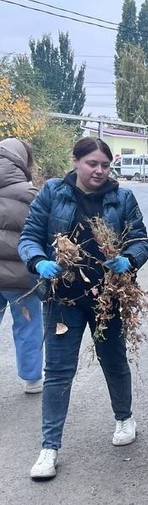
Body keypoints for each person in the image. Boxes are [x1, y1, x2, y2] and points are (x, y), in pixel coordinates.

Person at [18, 136, 148, 481]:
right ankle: (49, 447)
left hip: (107, 296)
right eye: (93, 163)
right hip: (64, 298)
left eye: (105, 165)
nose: (100, 170)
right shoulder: (53, 193)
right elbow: (29, 235)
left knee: (114, 359)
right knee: (59, 371)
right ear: (76, 161)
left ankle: (124, 417)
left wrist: (130, 259)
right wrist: (37, 261)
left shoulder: (122, 197)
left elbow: (140, 239)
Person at [0, 138, 43, 394]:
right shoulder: (30, 194)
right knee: (28, 324)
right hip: (22, 277)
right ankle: (32, 378)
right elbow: (44, 233)